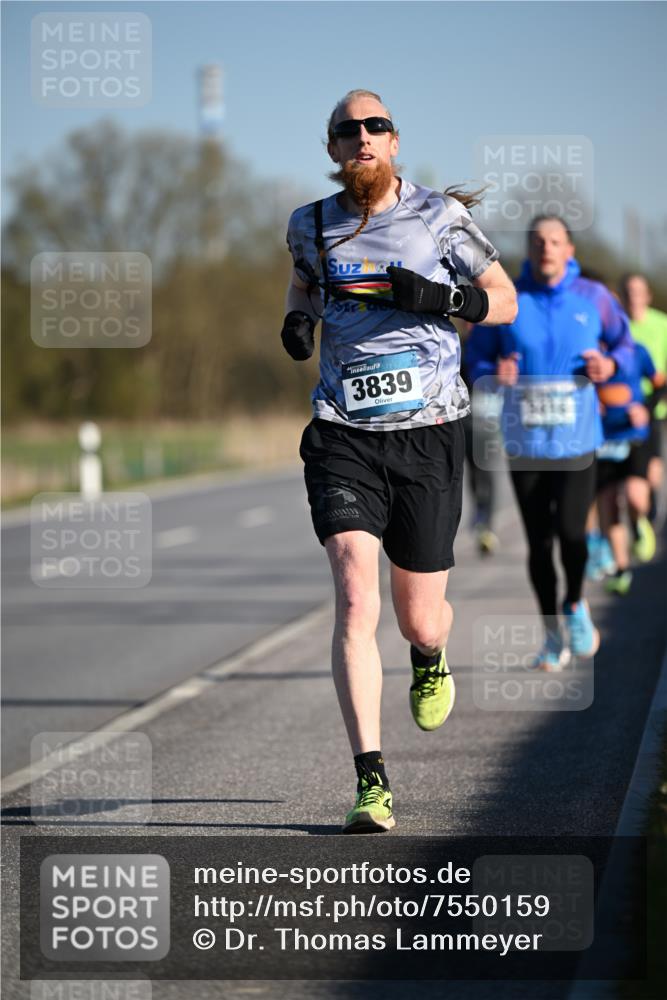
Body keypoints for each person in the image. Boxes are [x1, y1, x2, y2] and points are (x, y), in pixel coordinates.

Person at [281, 89, 517, 833]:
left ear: (393, 140)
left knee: (420, 620)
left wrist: (438, 297)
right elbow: (302, 281)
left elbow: (503, 300)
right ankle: (371, 782)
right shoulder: (308, 224)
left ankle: (429, 656)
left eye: (373, 126)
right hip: (343, 430)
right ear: (331, 149)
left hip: (427, 432)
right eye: (347, 130)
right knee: (355, 598)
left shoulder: (438, 218)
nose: (361, 137)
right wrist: (295, 317)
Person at [467, 217, 635, 670]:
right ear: (528, 248)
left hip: (577, 440)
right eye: (537, 241)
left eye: (555, 241)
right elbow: (473, 357)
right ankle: (551, 635)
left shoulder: (593, 298)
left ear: (569, 249)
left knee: (572, 534)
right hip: (525, 443)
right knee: (540, 544)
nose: (546, 248)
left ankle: (576, 602)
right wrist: (490, 372)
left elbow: (626, 348)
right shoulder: (509, 298)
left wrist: (609, 365)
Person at [595, 341, 661, 594]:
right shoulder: (586, 352)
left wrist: (645, 409)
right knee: (609, 503)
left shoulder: (636, 351)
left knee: (634, 497)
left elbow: (659, 384)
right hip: (603, 439)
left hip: (634, 436)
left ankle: (637, 523)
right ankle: (622, 569)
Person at [618, 273, 667, 528]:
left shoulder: (662, 325)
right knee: (629, 477)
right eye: (628, 292)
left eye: (638, 292)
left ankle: (650, 504)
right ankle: (636, 513)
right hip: (621, 409)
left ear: (647, 296)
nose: (633, 297)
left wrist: (649, 404)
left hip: (655, 406)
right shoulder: (617, 325)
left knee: (653, 471)